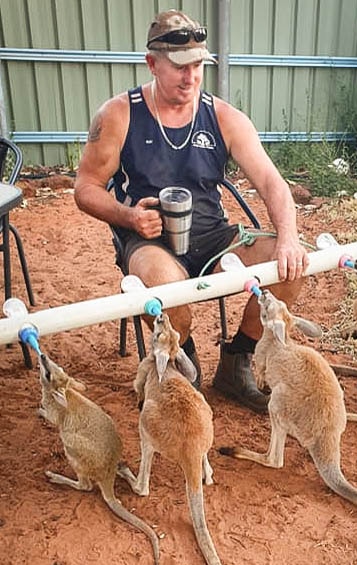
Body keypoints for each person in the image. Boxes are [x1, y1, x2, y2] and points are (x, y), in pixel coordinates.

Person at [74, 9, 309, 414]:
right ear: (152, 64)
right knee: (168, 291)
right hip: (149, 239)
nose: (191, 77)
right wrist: (129, 217)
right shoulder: (119, 114)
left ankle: (236, 362)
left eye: (198, 65)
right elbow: (85, 188)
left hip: (212, 238)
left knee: (290, 265)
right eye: (179, 67)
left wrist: (287, 237)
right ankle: (185, 358)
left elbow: (272, 182)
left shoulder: (223, 116)